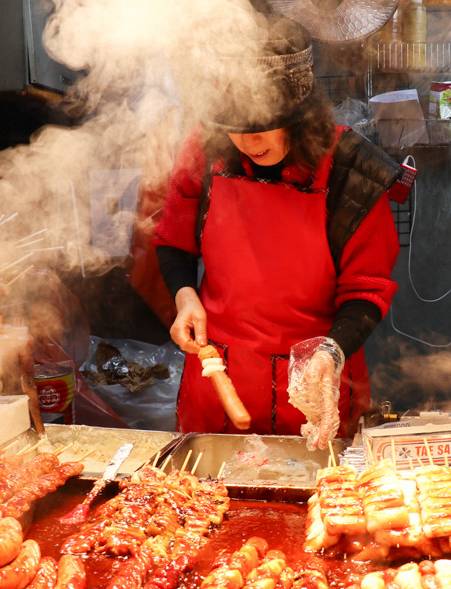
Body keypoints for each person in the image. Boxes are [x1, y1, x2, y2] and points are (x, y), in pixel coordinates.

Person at [153, 16, 402, 447]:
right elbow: (174, 241)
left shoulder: (351, 170)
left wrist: (332, 351)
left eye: (261, 126)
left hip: (313, 384)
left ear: (301, 116)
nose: (247, 142)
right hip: (218, 381)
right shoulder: (204, 149)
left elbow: (368, 288)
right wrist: (184, 295)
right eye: (234, 128)